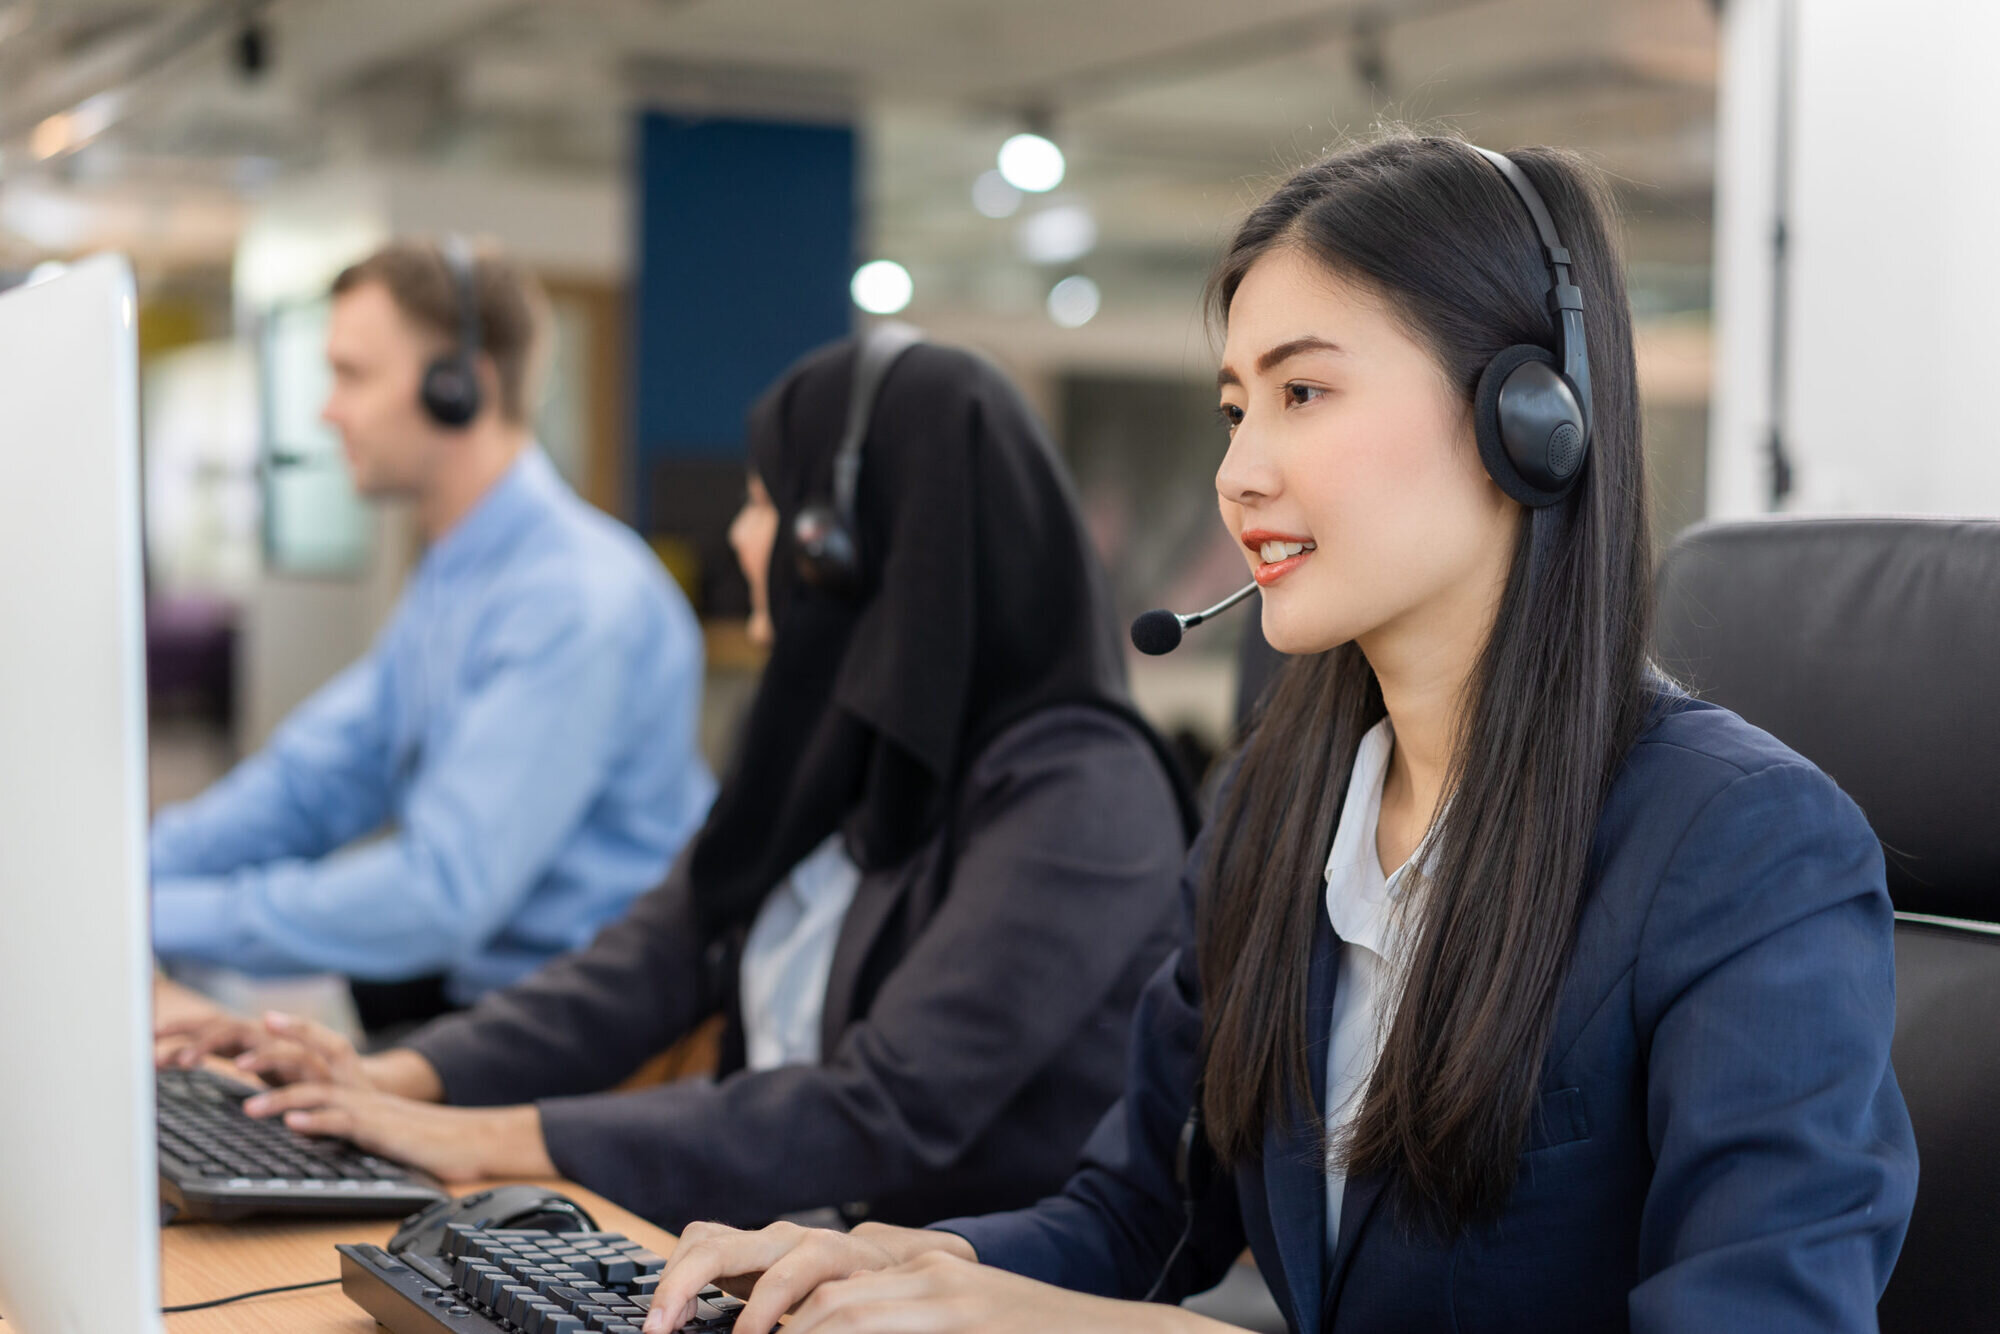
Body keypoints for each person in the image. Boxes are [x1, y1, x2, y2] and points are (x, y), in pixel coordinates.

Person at [639, 135, 1918, 1334]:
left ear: (1527, 421)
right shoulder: (1278, 803)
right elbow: (1135, 1210)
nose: (1239, 470)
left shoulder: (1744, 847)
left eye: (1302, 390)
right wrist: (925, 1263)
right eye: (1233, 407)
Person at [159, 329, 1196, 1232]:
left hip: (970, 1289)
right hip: (783, 1251)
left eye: (761, 501)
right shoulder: (835, 750)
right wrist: (376, 1079)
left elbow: (880, 1105)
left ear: (833, 542)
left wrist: (468, 1136)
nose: (740, 537)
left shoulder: (1081, 792)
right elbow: (646, 964)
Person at [149, 239, 715, 1033]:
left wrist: (156, 915)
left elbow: (441, 890)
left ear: (459, 388)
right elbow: (315, 781)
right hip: (485, 999)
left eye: (352, 375)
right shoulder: (459, 574)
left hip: (586, 1041)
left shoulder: (572, 599)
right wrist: (124, 876)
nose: (326, 409)